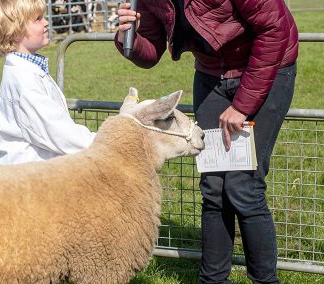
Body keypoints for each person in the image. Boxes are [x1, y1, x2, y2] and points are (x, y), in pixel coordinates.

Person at [115, 0, 298, 283]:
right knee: (213, 186)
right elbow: (150, 52)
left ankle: (265, 280)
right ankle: (212, 280)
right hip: (212, 75)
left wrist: (243, 105)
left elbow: (274, 30)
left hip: (266, 68)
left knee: (243, 186)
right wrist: (130, 35)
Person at [0, 0, 96, 165]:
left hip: (29, 175)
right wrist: (102, 143)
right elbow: (57, 132)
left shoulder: (26, 71)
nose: (46, 22)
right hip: (28, 179)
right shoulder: (24, 80)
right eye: (38, 19)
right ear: (15, 31)